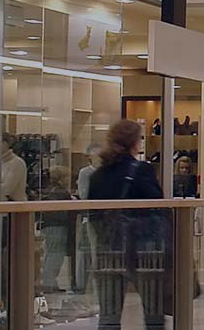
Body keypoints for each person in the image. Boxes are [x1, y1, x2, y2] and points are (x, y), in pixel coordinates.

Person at [85, 120, 168, 329]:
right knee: (153, 314)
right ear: (134, 143)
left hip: (108, 251)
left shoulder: (97, 175)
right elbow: (158, 206)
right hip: (144, 252)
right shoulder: (141, 170)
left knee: (108, 318)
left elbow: (93, 214)